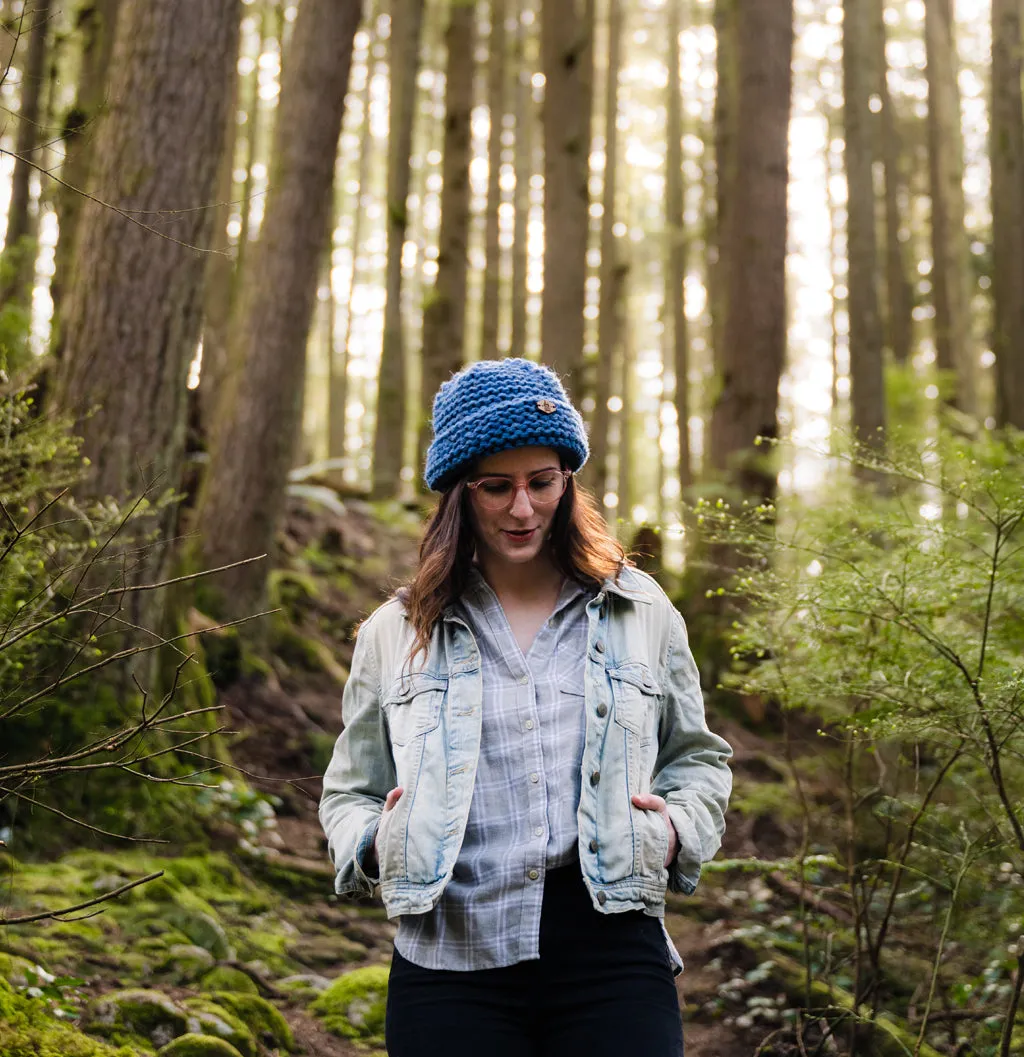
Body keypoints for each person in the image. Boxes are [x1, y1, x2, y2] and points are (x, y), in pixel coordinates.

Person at [319, 358, 733, 1057]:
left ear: (568, 480)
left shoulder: (642, 609)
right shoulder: (395, 632)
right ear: (459, 492)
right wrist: (370, 842)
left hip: (613, 955)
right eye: (497, 486)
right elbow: (348, 790)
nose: (522, 507)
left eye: (542, 482)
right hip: (450, 959)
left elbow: (697, 759)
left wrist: (675, 834)